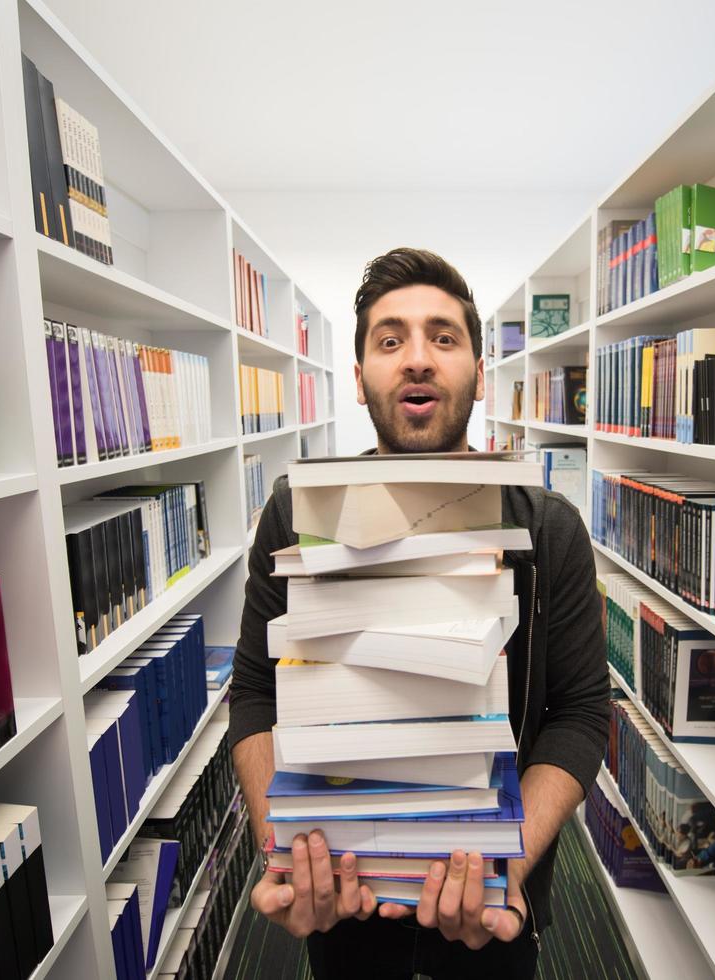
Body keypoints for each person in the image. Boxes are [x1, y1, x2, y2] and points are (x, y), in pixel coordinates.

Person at [228, 247, 609, 979]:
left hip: (493, 908)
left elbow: (582, 712)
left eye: (443, 337)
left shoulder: (549, 527)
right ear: (363, 380)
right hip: (341, 905)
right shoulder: (295, 516)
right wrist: (283, 848)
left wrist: (508, 864)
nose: (417, 358)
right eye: (389, 339)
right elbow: (253, 694)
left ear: (475, 370)